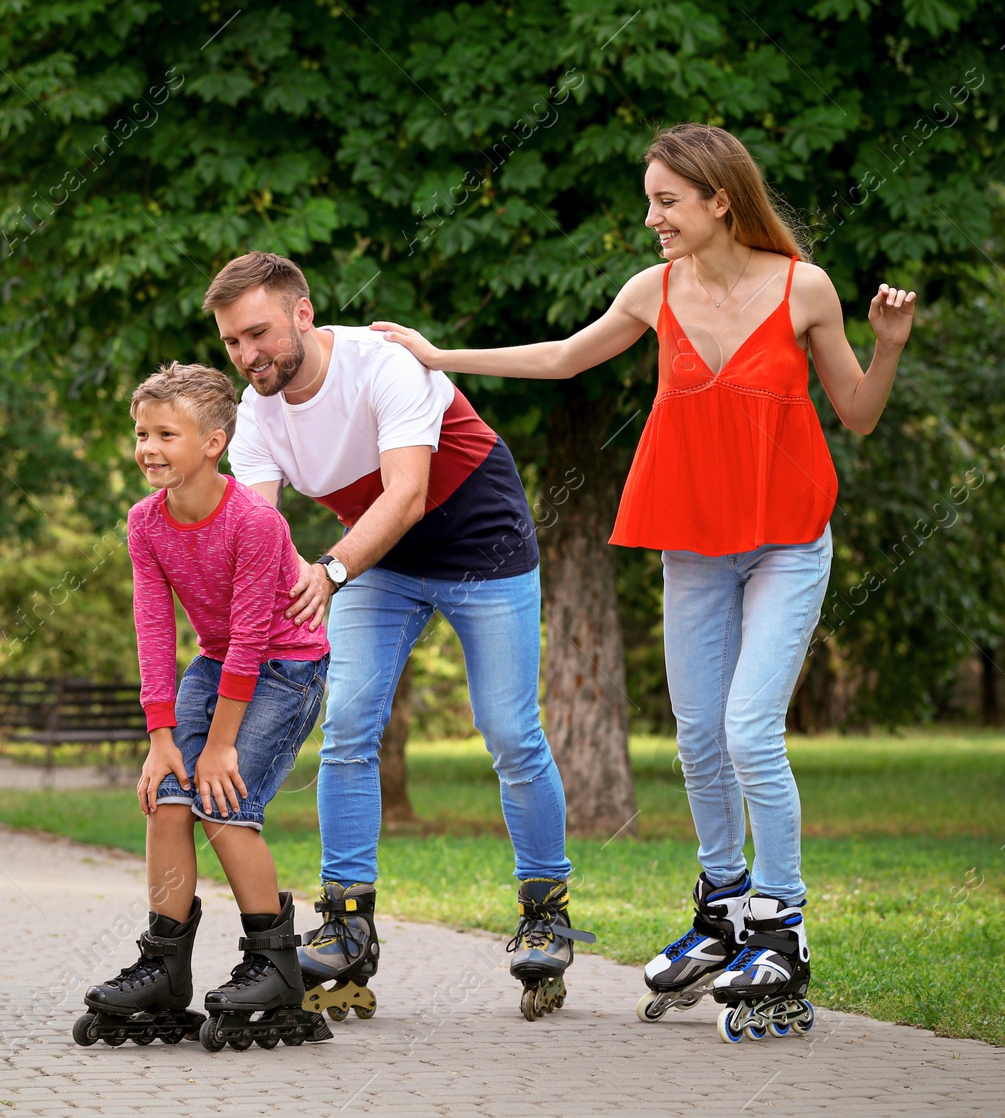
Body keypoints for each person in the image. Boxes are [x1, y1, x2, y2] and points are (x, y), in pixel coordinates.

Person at [372, 123, 916, 1042]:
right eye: (650, 199)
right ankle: (723, 903)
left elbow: (857, 415)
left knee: (749, 729)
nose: (653, 217)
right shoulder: (653, 291)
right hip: (694, 542)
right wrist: (437, 356)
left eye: (666, 200)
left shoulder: (804, 289)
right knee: (698, 739)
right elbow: (563, 357)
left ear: (720, 200)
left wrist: (889, 341)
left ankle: (782, 924)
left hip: (788, 539)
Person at [203, 251, 591, 1023]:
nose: (248, 357)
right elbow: (256, 532)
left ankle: (545, 906)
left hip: (481, 547)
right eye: (232, 344)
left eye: (258, 334)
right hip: (379, 560)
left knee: (510, 731)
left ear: (303, 314)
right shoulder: (256, 418)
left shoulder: (383, 365)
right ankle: (348, 920)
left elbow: (407, 492)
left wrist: (331, 570)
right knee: (346, 725)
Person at [73, 361, 334, 1051]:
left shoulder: (255, 519)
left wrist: (218, 746)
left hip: (286, 665)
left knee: (225, 803)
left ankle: (274, 968)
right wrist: (163, 737)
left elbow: (254, 639)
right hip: (217, 662)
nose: (149, 448)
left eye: (167, 433)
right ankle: (163, 966)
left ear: (214, 441)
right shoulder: (145, 523)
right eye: (141, 433)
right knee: (168, 796)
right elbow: (154, 629)